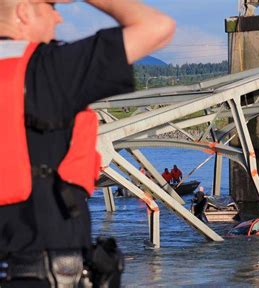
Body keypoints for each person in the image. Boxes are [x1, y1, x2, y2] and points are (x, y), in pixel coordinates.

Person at [0, 1, 175, 287]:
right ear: (24, 12)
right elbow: (158, 27)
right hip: (44, 272)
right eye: (50, 6)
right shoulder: (50, 68)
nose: (58, 17)